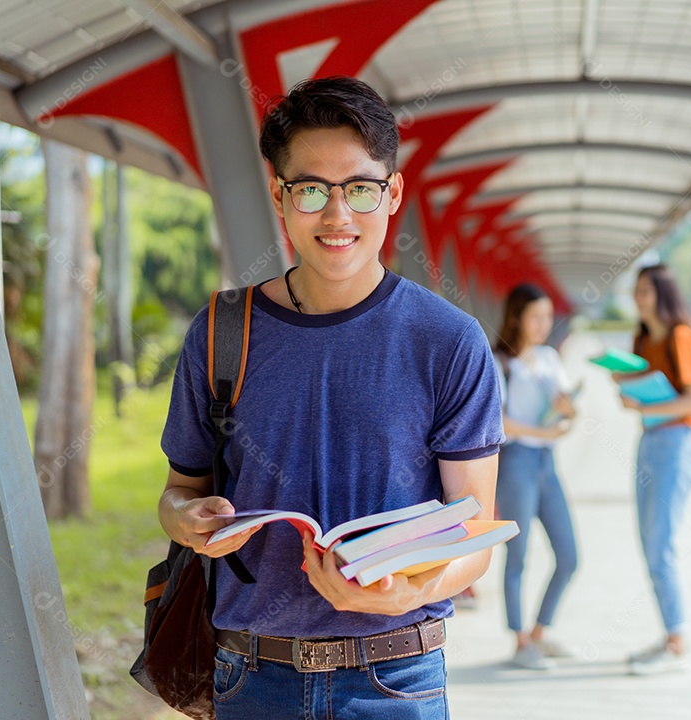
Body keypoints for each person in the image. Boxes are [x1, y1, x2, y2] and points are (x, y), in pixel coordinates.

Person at [157, 76, 505, 719]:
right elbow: (179, 491)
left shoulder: (449, 341)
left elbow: (476, 532)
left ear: (393, 193)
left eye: (361, 189)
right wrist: (186, 521)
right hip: (252, 676)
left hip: (396, 678)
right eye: (312, 189)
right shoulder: (221, 331)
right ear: (279, 196)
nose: (337, 215)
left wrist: (403, 593)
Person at [618, 264, 691, 675]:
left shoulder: (680, 336)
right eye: (636, 292)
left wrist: (647, 406)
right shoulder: (641, 337)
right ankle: (671, 635)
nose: (639, 299)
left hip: (676, 445)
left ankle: (676, 642)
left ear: (663, 294)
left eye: (646, 292)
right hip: (650, 442)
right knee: (649, 543)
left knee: (662, 547)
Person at [493, 284, 579, 670]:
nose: (544, 325)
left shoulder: (549, 358)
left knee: (569, 556)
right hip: (516, 463)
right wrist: (546, 433)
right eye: (536, 317)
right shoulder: (500, 364)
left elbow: (567, 412)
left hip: (547, 465)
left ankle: (540, 633)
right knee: (518, 556)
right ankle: (519, 640)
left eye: (548, 317)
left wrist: (569, 410)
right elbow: (500, 422)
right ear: (516, 318)